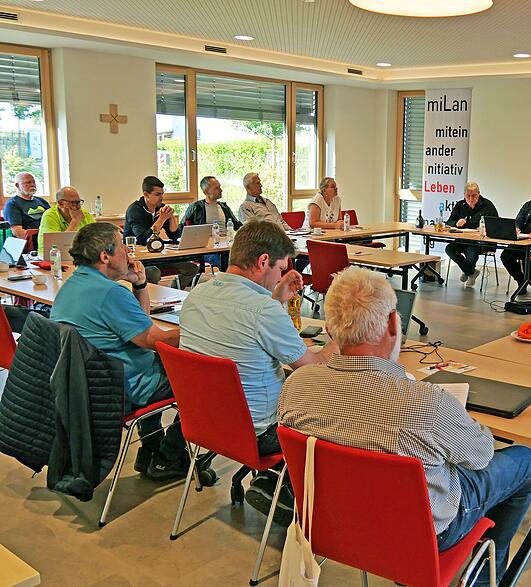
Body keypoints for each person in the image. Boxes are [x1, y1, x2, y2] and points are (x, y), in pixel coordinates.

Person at [279, 266, 531, 586]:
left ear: (331, 331)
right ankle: (487, 578)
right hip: (424, 537)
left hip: (333, 526)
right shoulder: (427, 404)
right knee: (526, 460)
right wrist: (455, 414)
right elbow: (482, 455)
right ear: (393, 323)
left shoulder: (296, 386)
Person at [179, 220, 338, 521]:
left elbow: (243, 326)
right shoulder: (262, 311)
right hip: (261, 432)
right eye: (279, 269)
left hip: (205, 422)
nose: (279, 275)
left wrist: (275, 297)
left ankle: (274, 481)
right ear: (264, 261)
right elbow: (314, 366)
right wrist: (339, 336)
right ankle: (284, 487)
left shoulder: (197, 294)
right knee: (332, 402)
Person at [50, 222, 190, 480]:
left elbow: (141, 326)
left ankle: (151, 446)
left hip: (93, 386)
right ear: (105, 256)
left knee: (157, 364)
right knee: (204, 382)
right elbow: (154, 340)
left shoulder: (73, 284)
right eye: (123, 246)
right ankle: (166, 456)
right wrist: (202, 328)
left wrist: (139, 285)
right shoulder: (110, 293)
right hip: (123, 387)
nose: (129, 252)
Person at [124, 176, 198, 289]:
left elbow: (175, 236)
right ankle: (151, 302)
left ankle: (172, 292)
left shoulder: (161, 208)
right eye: (157, 194)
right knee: (153, 272)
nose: (162, 197)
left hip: (156, 255)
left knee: (191, 268)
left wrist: (171, 218)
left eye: (162, 194)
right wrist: (162, 219)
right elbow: (143, 239)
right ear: (146, 194)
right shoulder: (134, 210)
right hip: (138, 258)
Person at [445, 182, 499, 288]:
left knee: (471, 250)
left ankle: (467, 271)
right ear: (464, 194)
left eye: (474, 195)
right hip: (462, 239)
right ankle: (471, 272)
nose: (470, 198)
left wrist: (485, 228)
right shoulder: (460, 205)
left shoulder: (487, 205)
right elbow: (449, 222)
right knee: (449, 249)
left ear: (478, 194)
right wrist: (456, 223)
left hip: (481, 241)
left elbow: (497, 224)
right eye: (468, 196)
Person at [3, 172, 50, 249]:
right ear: (17, 185)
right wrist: (42, 240)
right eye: (28, 182)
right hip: (31, 243)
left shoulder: (42, 201)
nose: (32, 184)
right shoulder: (12, 204)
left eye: (33, 182)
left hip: (49, 237)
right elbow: (18, 233)